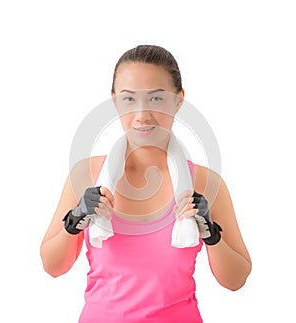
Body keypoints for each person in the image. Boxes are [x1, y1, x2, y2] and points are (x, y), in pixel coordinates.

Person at [40, 45, 252, 323]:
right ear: (115, 101)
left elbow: (235, 280)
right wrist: (75, 219)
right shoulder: (88, 174)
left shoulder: (205, 182)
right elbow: (53, 267)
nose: (142, 115)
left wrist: (212, 234)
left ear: (178, 101)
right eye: (129, 100)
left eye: (156, 99)